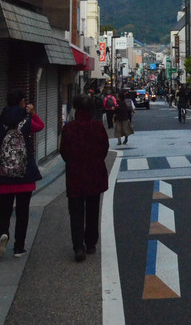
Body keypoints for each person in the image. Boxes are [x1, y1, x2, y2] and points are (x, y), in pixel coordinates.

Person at [0, 88, 44, 259]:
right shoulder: (26, 120)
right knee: (22, 211)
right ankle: (19, 247)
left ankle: (4, 233)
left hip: (3, 175)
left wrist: (4, 158)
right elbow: (40, 126)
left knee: (3, 210)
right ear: (22, 103)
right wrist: (32, 114)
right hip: (24, 175)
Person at [59, 94, 109, 262]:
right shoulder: (98, 127)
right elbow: (104, 149)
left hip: (75, 175)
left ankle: (78, 247)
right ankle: (91, 244)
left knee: (76, 213)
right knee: (93, 210)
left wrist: (73, 162)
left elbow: (64, 152)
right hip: (95, 174)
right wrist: (95, 161)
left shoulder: (68, 129)